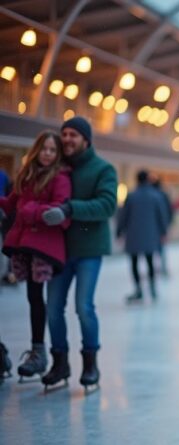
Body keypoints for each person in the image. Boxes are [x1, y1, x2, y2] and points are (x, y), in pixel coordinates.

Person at [40, 116, 118, 391]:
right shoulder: (57, 169)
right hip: (58, 250)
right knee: (53, 309)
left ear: (86, 139)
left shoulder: (103, 169)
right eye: (64, 134)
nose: (67, 139)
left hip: (88, 250)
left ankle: (90, 364)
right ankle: (59, 363)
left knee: (83, 307)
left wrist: (70, 208)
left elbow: (107, 205)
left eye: (73, 134)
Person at [0, 131, 71, 381]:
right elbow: (11, 203)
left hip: (45, 247)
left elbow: (60, 207)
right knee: (33, 298)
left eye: (53, 150)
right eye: (44, 149)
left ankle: (44, 353)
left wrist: (31, 210)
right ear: (37, 150)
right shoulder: (28, 175)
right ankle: (38, 352)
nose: (48, 154)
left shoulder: (60, 177)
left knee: (44, 301)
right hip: (26, 245)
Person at [117, 170, 169, 302]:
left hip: (133, 235)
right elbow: (162, 215)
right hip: (151, 235)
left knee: (134, 262)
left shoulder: (131, 196)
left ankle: (138, 290)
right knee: (150, 261)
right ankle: (152, 289)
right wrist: (164, 232)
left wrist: (119, 231)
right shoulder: (156, 196)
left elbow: (123, 216)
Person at [152, 177, 172, 277]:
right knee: (162, 248)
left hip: (154, 226)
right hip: (161, 225)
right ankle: (162, 268)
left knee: (155, 248)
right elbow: (168, 210)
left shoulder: (155, 196)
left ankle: (158, 268)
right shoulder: (162, 195)